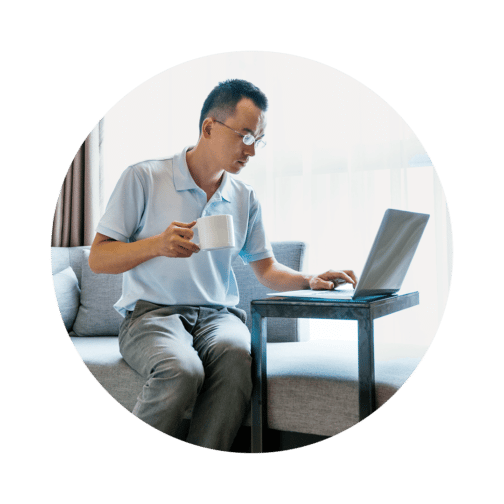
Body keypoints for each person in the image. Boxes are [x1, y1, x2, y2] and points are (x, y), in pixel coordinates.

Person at [89, 79, 356, 451]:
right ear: (209, 128)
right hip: (151, 316)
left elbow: (266, 269)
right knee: (182, 371)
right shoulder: (145, 178)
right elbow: (98, 258)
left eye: (258, 140)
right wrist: (156, 245)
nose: (252, 150)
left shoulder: (244, 197)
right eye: (245, 136)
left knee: (237, 359)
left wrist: (310, 279)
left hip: (218, 317)